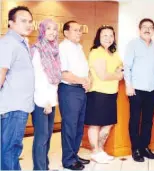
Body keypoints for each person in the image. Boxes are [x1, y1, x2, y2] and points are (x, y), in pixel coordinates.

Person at [0, 6, 34, 170]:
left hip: (19, 105)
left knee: (11, 149)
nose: (28, 24)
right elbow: (1, 73)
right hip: (13, 106)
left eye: (30, 21)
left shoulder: (20, 43)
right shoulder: (8, 43)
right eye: (23, 21)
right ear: (11, 23)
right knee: (10, 149)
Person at [124, 18, 154, 162]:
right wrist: (128, 85)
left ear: (153, 30)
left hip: (151, 89)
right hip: (136, 89)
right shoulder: (132, 45)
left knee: (148, 120)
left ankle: (145, 147)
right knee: (135, 120)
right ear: (139, 29)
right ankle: (136, 149)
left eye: (150, 27)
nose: (147, 29)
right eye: (144, 27)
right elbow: (127, 66)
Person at [85, 25, 123, 164]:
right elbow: (103, 75)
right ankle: (95, 151)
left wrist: (119, 71)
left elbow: (120, 66)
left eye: (111, 36)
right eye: (104, 36)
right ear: (98, 38)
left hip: (112, 93)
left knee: (107, 124)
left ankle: (100, 150)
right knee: (95, 125)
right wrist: (118, 76)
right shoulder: (96, 52)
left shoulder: (113, 53)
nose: (108, 38)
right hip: (97, 93)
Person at [58, 20, 91, 170]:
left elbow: (84, 69)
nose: (79, 33)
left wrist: (88, 80)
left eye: (80, 30)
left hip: (80, 90)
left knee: (78, 126)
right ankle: (68, 160)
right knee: (70, 126)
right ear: (66, 33)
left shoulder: (78, 47)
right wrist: (82, 81)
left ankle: (74, 155)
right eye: (76, 30)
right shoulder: (62, 48)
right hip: (69, 90)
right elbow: (64, 73)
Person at [30, 19, 61, 170]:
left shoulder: (54, 49)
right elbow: (38, 78)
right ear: (42, 30)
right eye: (48, 29)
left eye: (55, 29)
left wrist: (52, 100)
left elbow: (54, 79)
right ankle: (39, 168)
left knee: (48, 136)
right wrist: (45, 101)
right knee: (41, 138)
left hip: (50, 100)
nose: (52, 32)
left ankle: (44, 166)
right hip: (41, 100)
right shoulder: (38, 49)